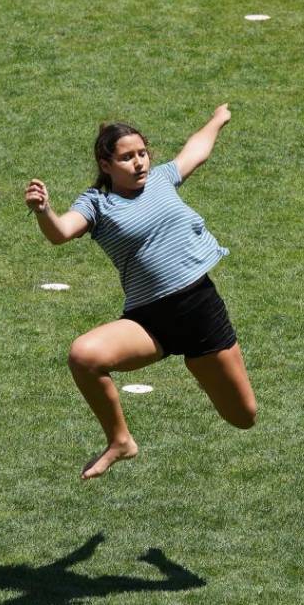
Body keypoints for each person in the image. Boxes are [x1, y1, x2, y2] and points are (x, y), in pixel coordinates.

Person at [25, 105, 257, 479]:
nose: (138, 163)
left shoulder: (164, 178)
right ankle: (120, 441)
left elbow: (195, 151)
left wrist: (217, 120)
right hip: (150, 322)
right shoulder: (97, 204)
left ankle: (203, 369)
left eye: (142, 153)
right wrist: (43, 211)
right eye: (126, 157)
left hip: (201, 311)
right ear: (105, 164)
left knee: (243, 417)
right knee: (84, 356)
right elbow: (61, 232)